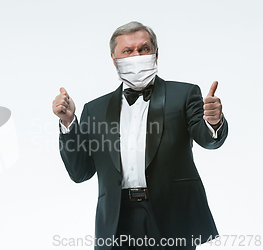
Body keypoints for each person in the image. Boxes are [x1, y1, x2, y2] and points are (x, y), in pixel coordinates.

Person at [52, 21, 228, 250]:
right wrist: (68, 123)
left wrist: (213, 122)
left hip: (172, 217)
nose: (136, 55)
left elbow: (207, 139)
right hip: (116, 221)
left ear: (156, 53)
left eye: (143, 49)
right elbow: (80, 172)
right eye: (128, 51)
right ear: (114, 59)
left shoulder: (183, 94)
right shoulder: (95, 109)